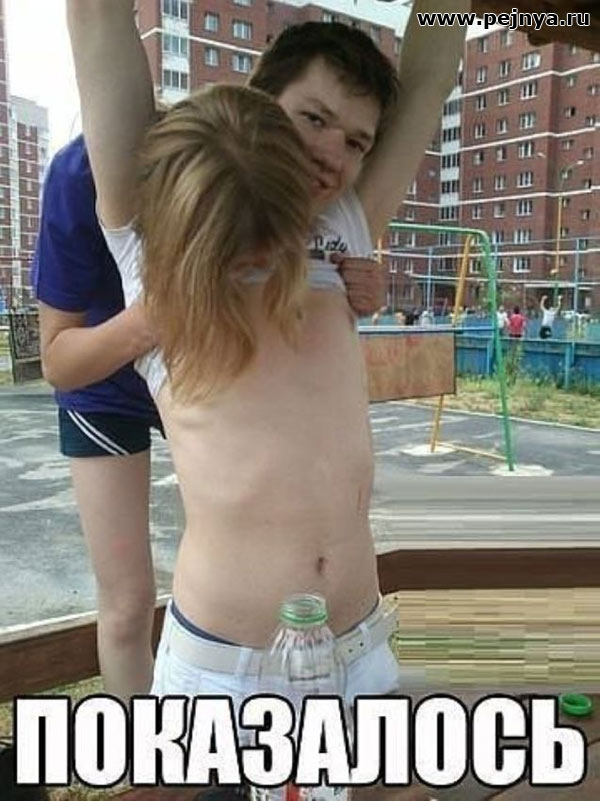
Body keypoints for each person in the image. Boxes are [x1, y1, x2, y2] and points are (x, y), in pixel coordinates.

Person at [67, 3, 466, 797]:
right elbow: (97, 27)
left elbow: (428, 79)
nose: (332, 154)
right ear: (258, 103)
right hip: (227, 673)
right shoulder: (162, 238)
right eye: (313, 118)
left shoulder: (349, 224)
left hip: (355, 652)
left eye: (356, 141)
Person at [32, 134, 161, 701]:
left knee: (253, 576)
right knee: (128, 605)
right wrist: (156, 317)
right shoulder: (78, 171)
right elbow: (58, 361)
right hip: (104, 382)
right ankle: (144, 750)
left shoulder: (249, 152)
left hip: (208, 370)